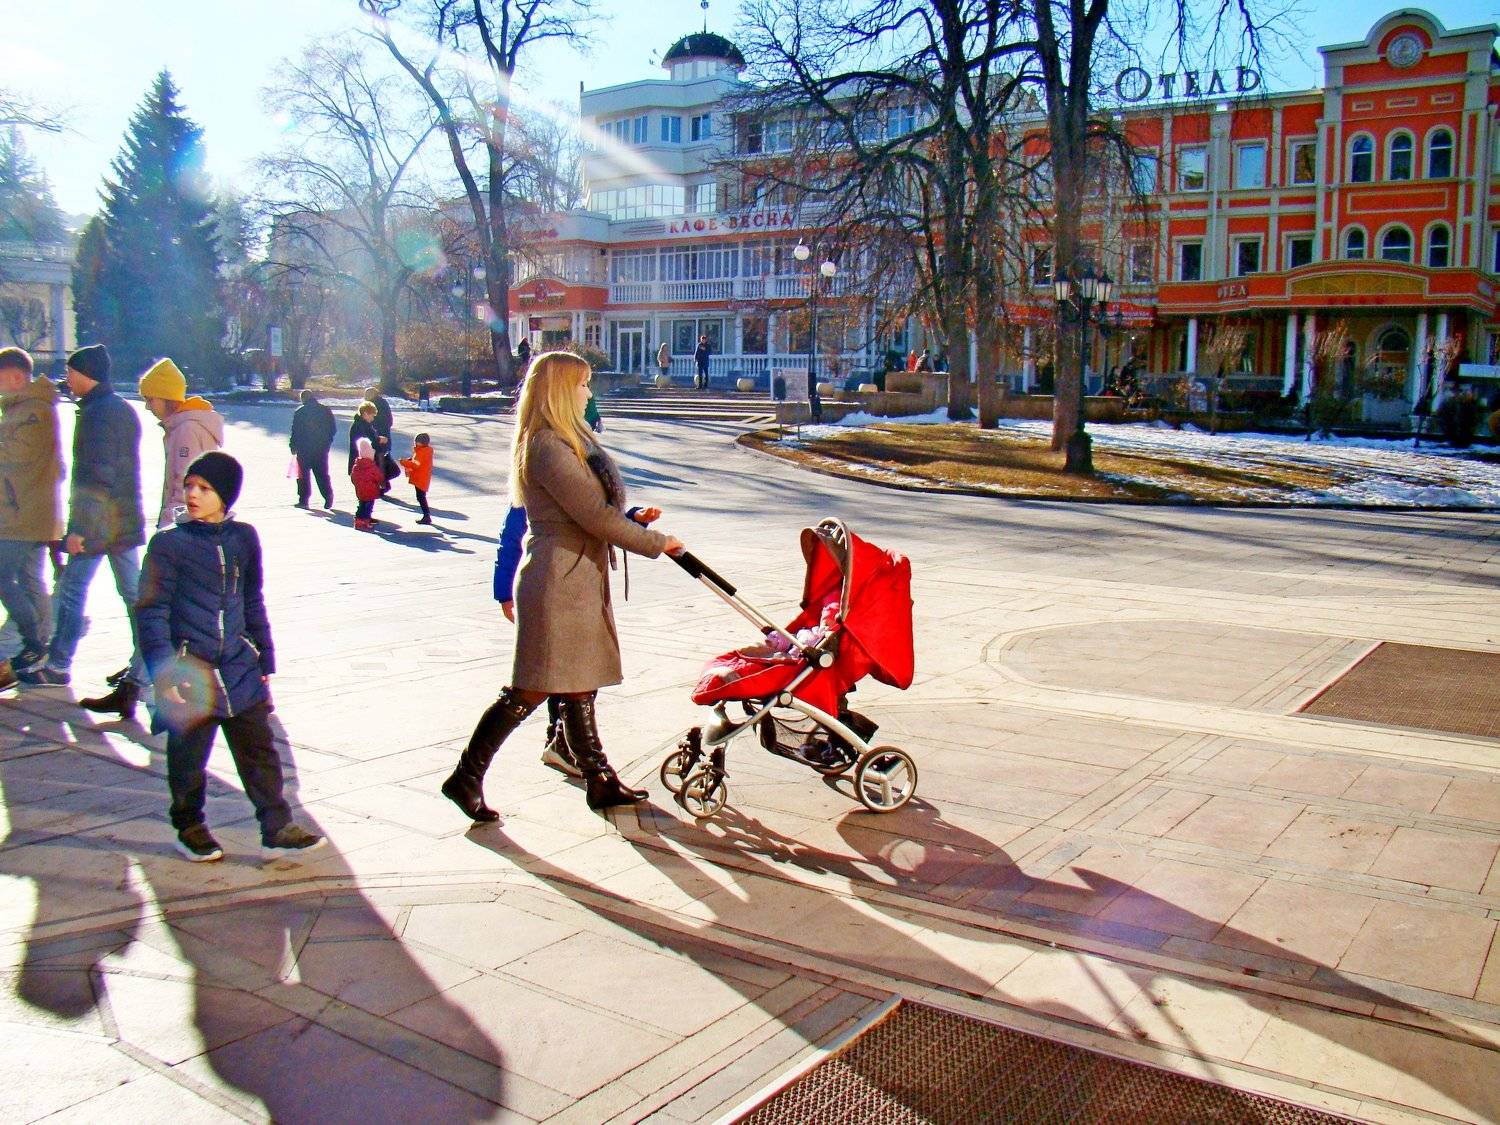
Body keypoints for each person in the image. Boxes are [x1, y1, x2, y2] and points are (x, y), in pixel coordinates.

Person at [441, 351, 683, 820]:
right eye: (582, 384)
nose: (588, 393)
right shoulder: (548, 446)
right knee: (530, 689)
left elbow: (592, 511)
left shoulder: (569, 441)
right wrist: (657, 543)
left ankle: (600, 780)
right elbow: (593, 515)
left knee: (578, 685)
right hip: (557, 580)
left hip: (576, 575)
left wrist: (632, 519)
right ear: (559, 391)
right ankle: (465, 777)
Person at [136, 451, 325, 863]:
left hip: (239, 665)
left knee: (259, 750)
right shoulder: (169, 544)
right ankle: (189, 827)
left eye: (204, 488)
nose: (192, 494)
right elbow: (151, 611)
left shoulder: (244, 538)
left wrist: (264, 658)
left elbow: (252, 599)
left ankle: (277, 827)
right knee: (188, 756)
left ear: (225, 495)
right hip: (191, 669)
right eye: (189, 486)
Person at [20, 346, 149, 724]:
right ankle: (147, 662)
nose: (67, 378)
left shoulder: (97, 414)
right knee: (134, 596)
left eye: (71, 371)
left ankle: (59, 663)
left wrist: (79, 530)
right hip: (121, 521)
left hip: (99, 525)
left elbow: (96, 476)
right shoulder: (119, 408)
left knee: (73, 590)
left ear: (86, 373)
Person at [0, 347, 63, 682]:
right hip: (23, 511)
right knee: (29, 579)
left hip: (22, 515)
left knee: (4, 577)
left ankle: (34, 644)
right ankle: (38, 650)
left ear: (15, 376)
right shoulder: (23, 407)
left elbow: (17, 455)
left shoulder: (34, 410)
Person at [138, 357, 224, 530]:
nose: (147, 407)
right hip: (195, 524)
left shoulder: (186, 430)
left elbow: (184, 487)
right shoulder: (184, 426)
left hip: (185, 526)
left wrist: (168, 528)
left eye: (150, 400)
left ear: (166, 397)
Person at [289, 388, 336, 510]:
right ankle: (328, 495)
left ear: (303, 399)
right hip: (321, 449)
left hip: (304, 449)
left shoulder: (300, 412)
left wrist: (293, 446)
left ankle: (303, 500)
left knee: (303, 476)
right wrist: (327, 443)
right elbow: (332, 429)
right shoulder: (325, 410)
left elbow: (295, 431)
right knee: (322, 474)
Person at [363, 385, 396, 494]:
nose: (364, 396)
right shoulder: (383, 403)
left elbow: (371, 422)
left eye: (366, 394)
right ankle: (383, 484)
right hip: (384, 437)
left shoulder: (372, 406)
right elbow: (389, 421)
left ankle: (382, 485)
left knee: (379, 463)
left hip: (379, 438)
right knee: (381, 462)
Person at [399, 432, 434, 524]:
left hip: (420, 478)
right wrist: (410, 460)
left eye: (416, 441)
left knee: (421, 497)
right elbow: (417, 461)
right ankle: (426, 515)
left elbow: (416, 465)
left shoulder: (422, 452)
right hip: (422, 477)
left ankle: (426, 516)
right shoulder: (424, 450)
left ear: (421, 443)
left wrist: (404, 462)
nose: (415, 443)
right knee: (420, 496)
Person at [350, 438, 383, 532]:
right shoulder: (372, 466)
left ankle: (358, 520)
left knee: (361, 505)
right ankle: (366, 521)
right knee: (368, 507)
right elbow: (378, 476)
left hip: (360, 491)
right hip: (370, 491)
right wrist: (381, 483)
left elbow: (353, 477)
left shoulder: (356, 465)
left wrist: (357, 484)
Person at [347, 401, 380, 475]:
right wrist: (379, 440)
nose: (372, 419)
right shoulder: (360, 426)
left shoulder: (363, 424)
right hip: (361, 464)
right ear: (365, 414)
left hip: (361, 464)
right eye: (372, 416)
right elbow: (366, 443)